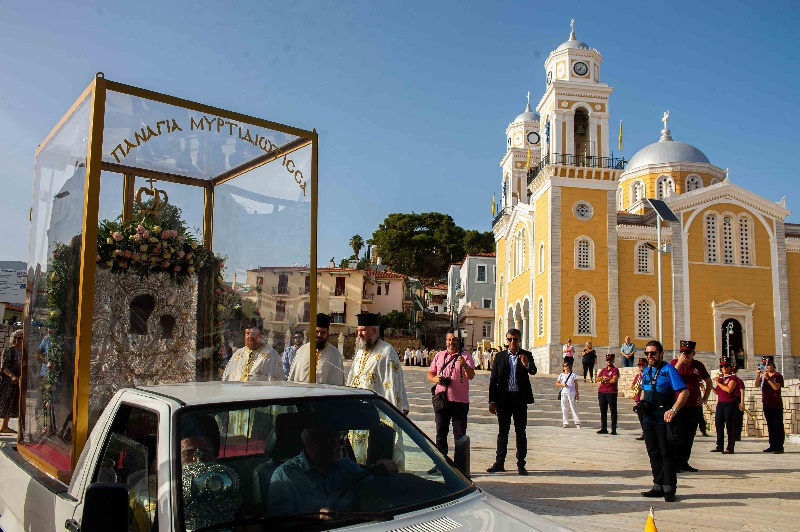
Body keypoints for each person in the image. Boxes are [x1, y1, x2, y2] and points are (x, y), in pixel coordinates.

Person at [269, 420, 398, 516]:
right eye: (335, 437)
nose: (343, 442)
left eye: (343, 435)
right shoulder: (285, 477)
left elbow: (370, 487)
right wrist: (313, 517)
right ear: (312, 443)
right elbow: (279, 524)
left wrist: (380, 470)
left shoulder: (346, 466)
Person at [639, 340, 689, 503]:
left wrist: (673, 410)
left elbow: (684, 392)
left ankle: (668, 487)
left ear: (661, 354)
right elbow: (644, 391)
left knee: (666, 453)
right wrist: (640, 404)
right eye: (647, 353)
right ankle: (657, 485)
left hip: (663, 419)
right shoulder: (646, 371)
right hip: (648, 419)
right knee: (653, 453)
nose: (649, 356)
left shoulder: (669, 371)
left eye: (653, 353)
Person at [486, 328, 537, 475]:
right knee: (503, 432)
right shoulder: (500, 357)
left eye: (515, 339)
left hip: (519, 399)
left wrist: (527, 364)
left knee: (520, 432)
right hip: (504, 399)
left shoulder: (526, 355)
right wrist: (492, 401)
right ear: (506, 341)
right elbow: (493, 379)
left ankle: (521, 464)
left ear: (519, 340)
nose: (512, 342)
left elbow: (533, 371)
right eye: (509, 340)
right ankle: (499, 462)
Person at [427, 330, 475, 463]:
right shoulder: (439, 356)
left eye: (454, 340)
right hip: (442, 400)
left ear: (458, 342)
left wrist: (464, 365)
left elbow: (471, 375)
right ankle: (441, 463)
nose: (451, 342)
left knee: (459, 435)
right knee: (440, 434)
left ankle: (460, 465)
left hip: (459, 401)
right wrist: (435, 379)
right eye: (449, 340)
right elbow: (430, 374)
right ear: (446, 341)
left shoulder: (466, 356)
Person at [347, 313, 409, 414]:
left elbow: (391, 384)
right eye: (358, 330)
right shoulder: (360, 351)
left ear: (374, 331)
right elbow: (352, 377)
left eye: (363, 330)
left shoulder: (387, 351)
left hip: (375, 411)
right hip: (356, 409)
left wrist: (390, 414)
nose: (359, 334)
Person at [670, 340, 711, 473]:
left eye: (688, 352)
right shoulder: (674, 364)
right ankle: (675, 463)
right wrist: (680, 362)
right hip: (679, 405)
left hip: (694, 406)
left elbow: (708, 382)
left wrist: (705, 398)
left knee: (689, 436)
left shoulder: (698, 365)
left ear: (693, 353)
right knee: (678, 435)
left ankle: (684, 462)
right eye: (682, 352)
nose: (685, 354)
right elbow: (671, 377)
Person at [287, 313, 344, 385]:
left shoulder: (335, 354)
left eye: (323, 332)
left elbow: (337, 382)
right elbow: (293, 376)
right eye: (317, 332)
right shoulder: (302, 351)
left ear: (327, 333)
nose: (319, 335)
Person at [755, 356, 784, 454]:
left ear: (773, 366)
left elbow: (776, 387)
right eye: (764, 366)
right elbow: (756, 385)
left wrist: (768, 379)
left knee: (778, 425)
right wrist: (759, 375)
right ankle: (772, 445)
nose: (767, 367)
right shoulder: (763, 376)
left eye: (768, 365)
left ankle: (779, 446)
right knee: (770, 425)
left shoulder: (777, 376)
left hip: (775, 404)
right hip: (766, 403)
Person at [711, 357, 739, 454]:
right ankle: (719, 445)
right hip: (721, 403)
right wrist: (710, 386)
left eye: (726, 366)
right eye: (722, 366)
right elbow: (718, 392)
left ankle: (730, 447)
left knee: (730, 425)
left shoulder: (732, 378)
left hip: (730, 403)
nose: (724, 368)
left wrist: (719, 383)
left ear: (730, 367)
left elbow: (728, 389)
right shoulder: (722, 378)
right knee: (718, 424)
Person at [0, 330, 23, 434]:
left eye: (22, 338)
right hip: (8, 382)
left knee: (12, 404)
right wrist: (12, 376)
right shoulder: (9, 350)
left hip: (18, 381)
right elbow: (4, 366)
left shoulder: (23, 351)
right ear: (14, 339)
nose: (21, 341)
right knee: (5, 402)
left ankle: (5, 426)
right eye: (19, 338)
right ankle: (3, 426)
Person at [596, 354, 619, 435]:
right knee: (603, 410)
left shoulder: (615, 369)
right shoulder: (603, 370)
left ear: (613, 360)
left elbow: (614, 380)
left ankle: (613, 429)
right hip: (602, 391)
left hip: (611, 392)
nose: (609, 361)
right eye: (607, 360)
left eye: (610, 360)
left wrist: (606, 380)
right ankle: (604, 428)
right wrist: (602, 378)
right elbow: (597, 379)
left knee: (613, 410)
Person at [556, 360, 580, 429]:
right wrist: (561, 384)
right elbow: (557, 383)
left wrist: (577, 393)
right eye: (564, 366)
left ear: (569, 366)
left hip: (571, 393)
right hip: (564, 393)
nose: (565, 367)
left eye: (567, 365)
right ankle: (565, 422)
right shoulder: (561, 375)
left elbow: (576, 384)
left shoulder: (573, 375)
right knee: (564, 408)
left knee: (573, 407)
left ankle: (577, 422)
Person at [632, 358, 647, 440]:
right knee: (641, 417)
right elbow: (633, 386)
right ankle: (644, 433)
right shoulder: (638, 376)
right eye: (639, 365)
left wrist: (641, 387)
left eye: (641, 365)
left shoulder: (647, 375)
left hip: (645, 399)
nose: (640, 366)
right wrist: (636, 387)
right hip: (638, 398)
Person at [732, 364, 746, 442]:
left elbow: (742, 391)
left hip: (737, 399)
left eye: (734, 371)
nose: (733, 373)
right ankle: (733, 435)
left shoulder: (739, 380)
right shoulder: (730, 380)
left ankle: (737, 435)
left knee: (738, 419)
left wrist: (742, 402)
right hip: (731, 400)